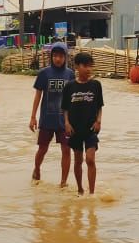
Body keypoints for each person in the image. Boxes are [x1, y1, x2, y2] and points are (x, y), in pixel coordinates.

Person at [29, 42, 75, 186]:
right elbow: (38, 96)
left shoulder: (70, 74)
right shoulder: (44, 73)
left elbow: (73, 98)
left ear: (65, 57)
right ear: (51, 57)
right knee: (42, 149)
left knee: (66, 150)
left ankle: (63, 182)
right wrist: (32, 117)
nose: (58, 59)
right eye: (55, 56)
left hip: (65, 120)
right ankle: (37, 169)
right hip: (47, 119)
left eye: (61, 56)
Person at [62, 52, 104, 196]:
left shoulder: (96, 85)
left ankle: (92, 193)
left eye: (90, 66)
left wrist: (99, 121)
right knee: (78, 160)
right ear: (77, 67)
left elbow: (99, 106)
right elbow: (65, 108)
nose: (88, 69)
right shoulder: (69, 87)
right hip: (74, 129)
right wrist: (66, 123)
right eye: (85, 66)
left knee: (90, 159)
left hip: (91, 129)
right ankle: (80, 189)